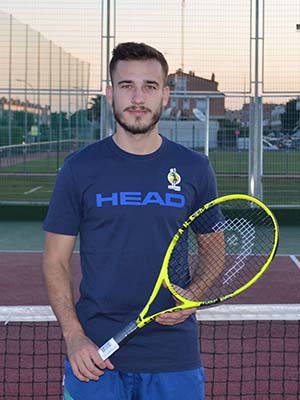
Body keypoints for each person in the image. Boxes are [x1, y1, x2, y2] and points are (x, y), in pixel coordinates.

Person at [43, 42, 219, 400]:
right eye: (126, 86)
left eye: (150, 87)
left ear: (165, 95)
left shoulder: (195, 168)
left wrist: (193, 296)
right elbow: (54, 261)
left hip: (175, 358)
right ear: (110, 93)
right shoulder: (80, 168)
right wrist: (74, 336)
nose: (138, 98)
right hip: (94, 356)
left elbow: (214, 248)